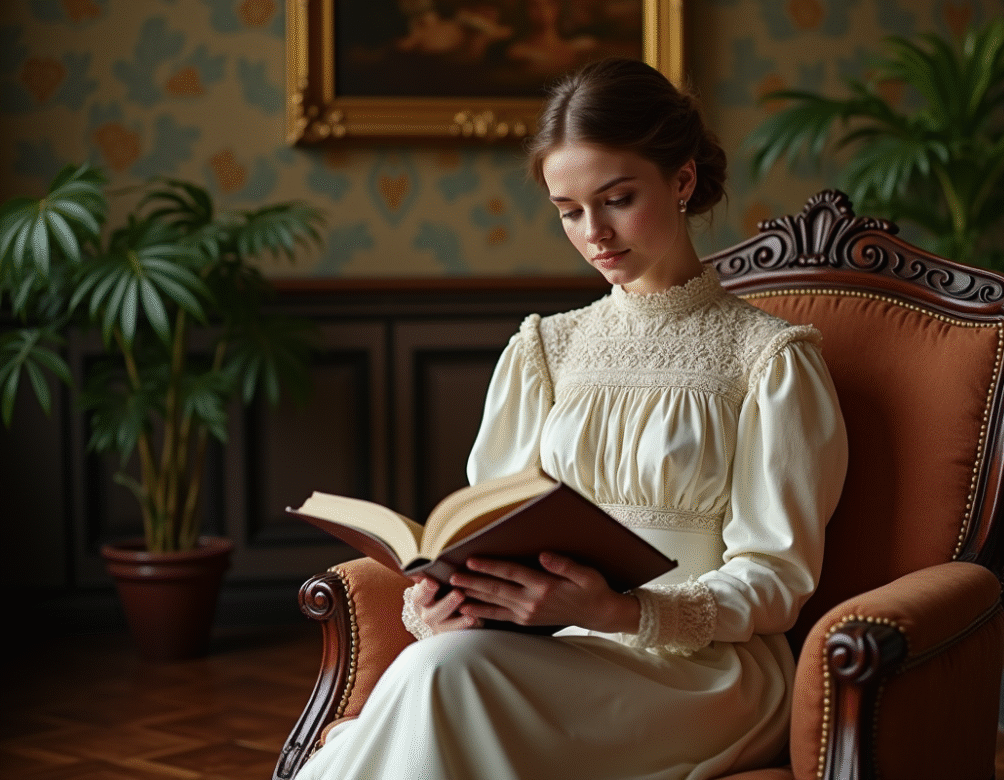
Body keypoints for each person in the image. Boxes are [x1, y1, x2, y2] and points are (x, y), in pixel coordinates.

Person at [295, 57, 848, 780]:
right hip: (546, 649)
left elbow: (776, 577)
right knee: (440, 660)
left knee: (438, 680)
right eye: (568, 210)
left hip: (702, 675)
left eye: (617, 198)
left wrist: (625, 611)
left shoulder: (770, 360)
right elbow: (485, 527)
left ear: (681, 180)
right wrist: (446, 601)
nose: (595, 233)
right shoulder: (545, 350)